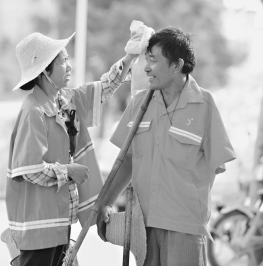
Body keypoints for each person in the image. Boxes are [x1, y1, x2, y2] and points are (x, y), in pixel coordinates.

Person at [96, 26, 237, 266]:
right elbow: (127, 160)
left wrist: (187, 206)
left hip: (185, 228)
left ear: (176, 65)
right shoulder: (140, 102)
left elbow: (216, 166)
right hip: (143, 227)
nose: (147, 67)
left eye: (154, 61)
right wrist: (104, 203)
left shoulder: (205, 104)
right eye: (146, 60)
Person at [5, 31, 140, 266]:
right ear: (46, 70)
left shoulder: (65, 101)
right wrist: (68, 171)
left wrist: (129, 57)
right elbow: (28, 169)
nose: (69, 66)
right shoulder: (33, 112)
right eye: (63, 61)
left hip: (58, 223)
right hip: (39, 230)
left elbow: (103, 89)